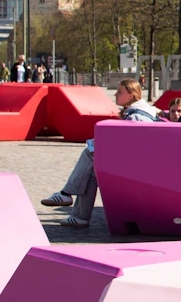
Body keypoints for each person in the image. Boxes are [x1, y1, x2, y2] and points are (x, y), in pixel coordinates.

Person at [40, 77, 171, 228]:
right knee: (91, 172)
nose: (115, 95)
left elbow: (130, 146)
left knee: (90, 153)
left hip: (137, 166)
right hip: (141, 161)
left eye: (119, 92)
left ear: (131, 95)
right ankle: (77, 215)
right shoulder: (141, 110)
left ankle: (67, 196)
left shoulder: (136, 116)